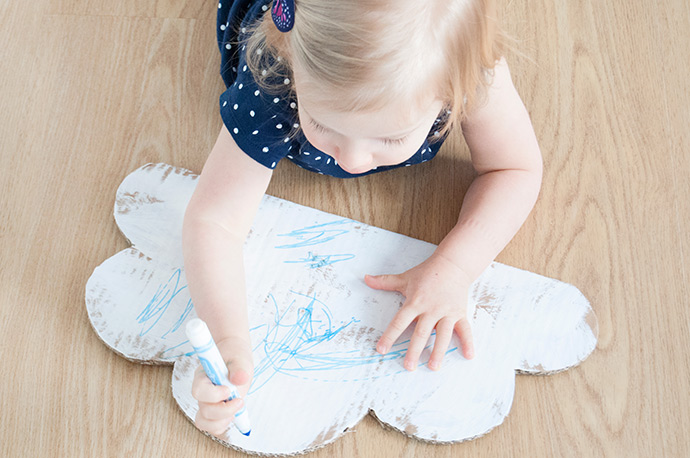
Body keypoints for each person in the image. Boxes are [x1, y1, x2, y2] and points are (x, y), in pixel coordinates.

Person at [183, 0, 543, 436]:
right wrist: (228, 342)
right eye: (321, 122)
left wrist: (455, 268)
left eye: (390, 136)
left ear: (453, 92)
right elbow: (214, 221)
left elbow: (516, 169)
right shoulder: (273, 72)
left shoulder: (465, 66)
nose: (353, 160)